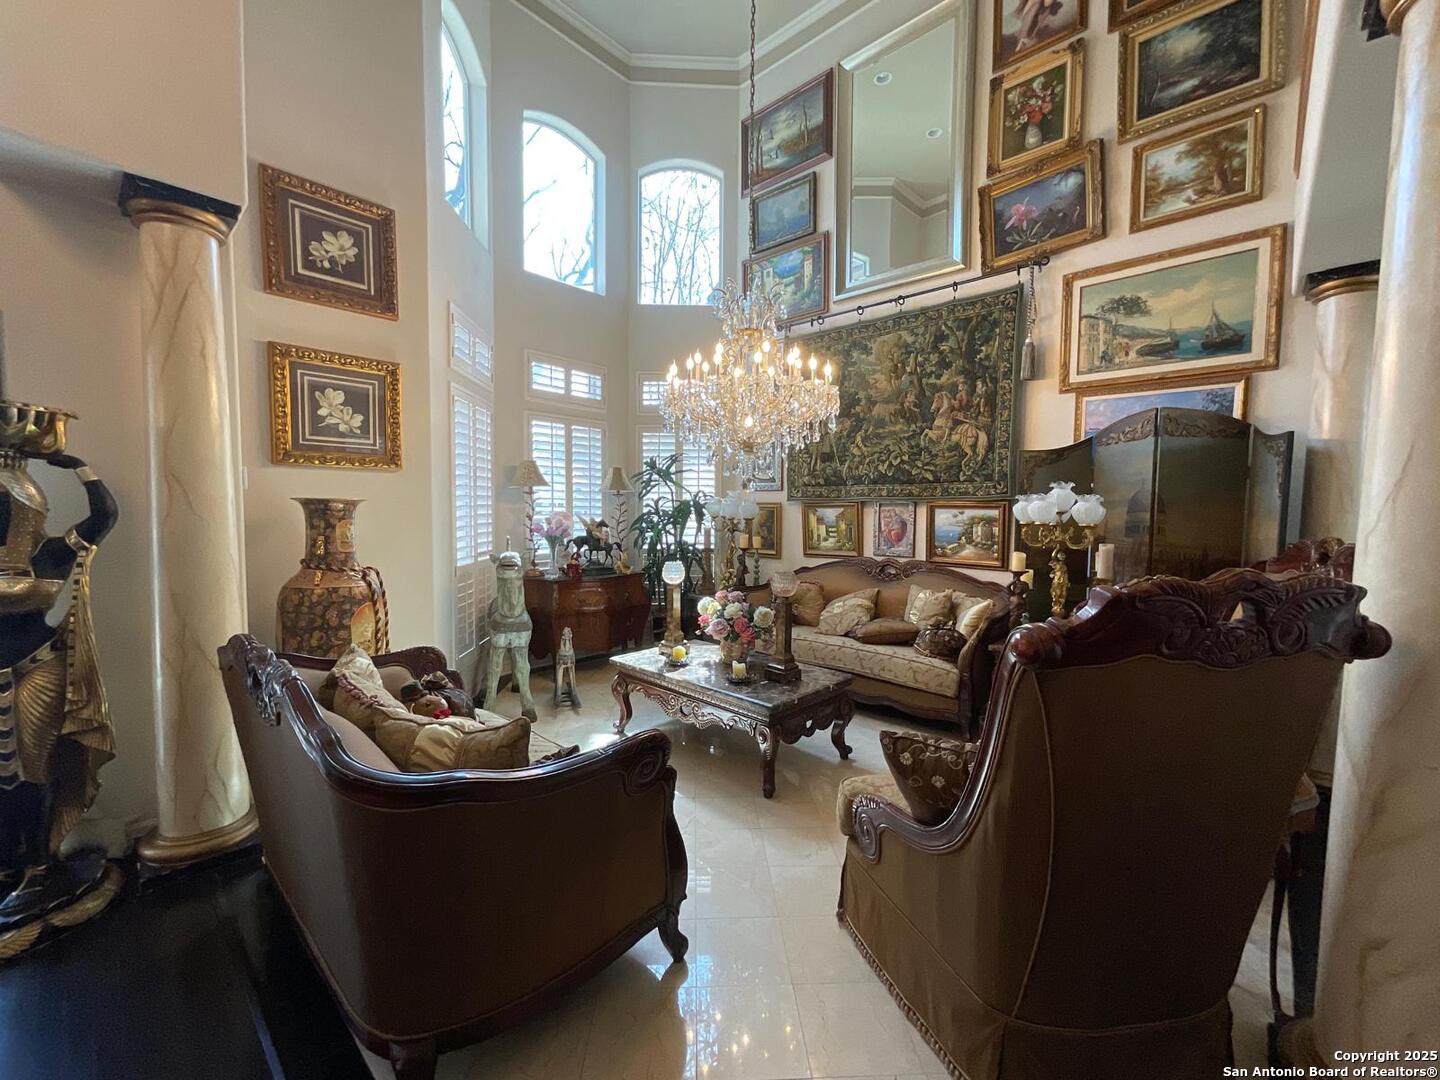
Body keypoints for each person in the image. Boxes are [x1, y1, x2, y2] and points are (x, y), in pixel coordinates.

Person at [0, 449, 119, 927]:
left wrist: (79, 468)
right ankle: (7, 862)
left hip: (38, 670)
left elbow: (104, 515)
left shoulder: (48, 554)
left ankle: (38, 864)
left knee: (32, 770)